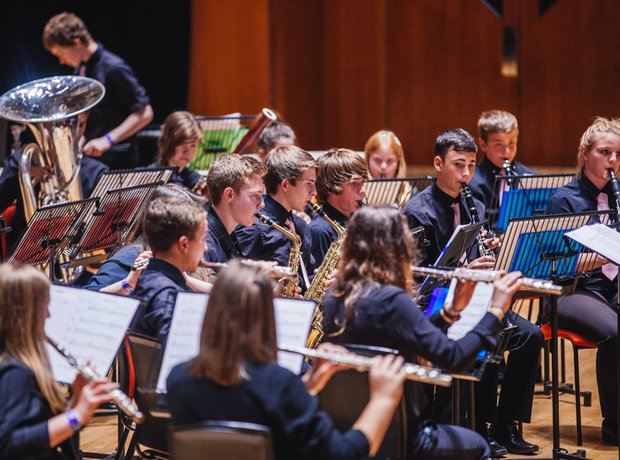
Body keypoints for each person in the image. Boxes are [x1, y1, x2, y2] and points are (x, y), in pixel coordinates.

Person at [321, 206, 524, 459]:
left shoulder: (333, 297)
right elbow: (453, 358)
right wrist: (495, 311)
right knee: (478, 445)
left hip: (352, 427)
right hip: (401, 431)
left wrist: (451, 311)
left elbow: (415, 340)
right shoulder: (393, 300)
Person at [166, 259, 406, 459]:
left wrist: (310, 383)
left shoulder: (178, 379)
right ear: (267, 316)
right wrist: (383, 399)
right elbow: (345, 455)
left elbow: (251, 413)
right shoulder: (279, 385)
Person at [402, 128, 542, 456]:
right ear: (438, 163)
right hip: (437, 306)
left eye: (471, 166)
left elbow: (477, 256)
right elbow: (421, 277)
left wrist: (489, 248)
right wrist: (462, 270)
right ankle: (477, 427)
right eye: (458, 165)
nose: (466, 174)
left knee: (530, 336)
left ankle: (505, 425)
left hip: (475, 299)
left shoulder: (473, 202)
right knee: (486, 342)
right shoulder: (416, 212)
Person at [546, 116, 620, 444]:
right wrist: (608, 252)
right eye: (605, 152)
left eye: (618, 154)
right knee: (616, 334)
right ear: (584, 154)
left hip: (614, 287)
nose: (613, 161)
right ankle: (614, 425)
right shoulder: (565, 200)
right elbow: (556, 264)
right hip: (575, 289)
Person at [0, 262, 117, 459]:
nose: (49, 315)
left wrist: (74, 402)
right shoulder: (14, 372)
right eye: (44, 307)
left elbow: (40, 428)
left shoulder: (18, 362)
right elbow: (9, 446)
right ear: (25, 314)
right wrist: (76, 415)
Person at [43, 12, 154, 170]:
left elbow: (145, 113)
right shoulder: (81, 70)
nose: (61, 61)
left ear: (76, 43)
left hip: (117, 161)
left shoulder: (113, 68)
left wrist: (108, 140)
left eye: (61, 53)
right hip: (92, 161)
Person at [84, 184, 209, 295]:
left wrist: (186, 280)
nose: (206, 247)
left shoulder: (172, 258)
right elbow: (87, 298)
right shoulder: (129, 258)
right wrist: (128, 284)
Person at [236, 145, 317, 293]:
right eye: (309, 184)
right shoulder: (253, 226)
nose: (314, 192)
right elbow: (240, 283)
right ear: (285, 184)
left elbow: (307, 277)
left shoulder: (300, 225)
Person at [130, 194, 207, 345]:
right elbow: (179, 349)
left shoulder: (150, 280)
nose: (206, 247)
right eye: (203, 239)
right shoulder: (166, 294)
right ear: (184, 244)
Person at [468, 110, 536, 213]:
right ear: (482, 144)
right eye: (498, 145)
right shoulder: (470, 181)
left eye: (511, 143)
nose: (506, 151)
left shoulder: (530, 177)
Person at [204, 154, 266, 264]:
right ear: (229, 195)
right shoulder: (204, 244)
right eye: (256, 195)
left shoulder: (229, 234)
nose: (262, 204)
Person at [309, 148, 367, 264]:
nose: (363, 191)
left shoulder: (362, 221)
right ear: (331, 187)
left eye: (364, 182)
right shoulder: (320, 231)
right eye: (354, 183)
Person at [151, 111, 206, 193]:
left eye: (193, 145)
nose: (187, 151)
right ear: (167, 142)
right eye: (182, 144)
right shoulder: (146, 178)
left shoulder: (196, 182)